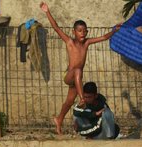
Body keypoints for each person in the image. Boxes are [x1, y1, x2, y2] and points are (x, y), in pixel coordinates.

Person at [40, 2, 121, 135]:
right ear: (74, 32)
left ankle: (59, 119)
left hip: (76, 80)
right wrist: (47, 11)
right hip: (69, 75)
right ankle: (82, 98)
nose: (82, 33)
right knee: (78, 70)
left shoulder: (87, 42)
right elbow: (56, 27)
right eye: (79, 31)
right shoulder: (69, 42)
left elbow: (104, 37)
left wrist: (114, 30)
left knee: (69, 101)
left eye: (84, 31)